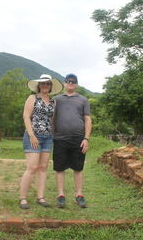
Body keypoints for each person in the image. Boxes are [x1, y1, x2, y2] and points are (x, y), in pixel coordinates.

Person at [19, 74, 63, 209]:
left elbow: (52, 121)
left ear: (51, 86)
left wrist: (53, 136)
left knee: (43, 168)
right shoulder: (32, 98)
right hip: (33, 135)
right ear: (39, 85)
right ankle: (23, 198)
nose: (45, 85)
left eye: (48, 84)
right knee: (32, 167)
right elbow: (26, 116)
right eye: (43, 83)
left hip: (48, 137)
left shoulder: (53, 102)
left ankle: (40, 197)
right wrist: (32, 135)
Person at [53, 73, 92, 208]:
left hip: (78, 139)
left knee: (78, 168)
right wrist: (53, 136)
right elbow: (52, 120)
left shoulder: (83, 100)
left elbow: (87, 119)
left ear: (76, 84)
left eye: (73, 81)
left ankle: (79, 195)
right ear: (64, 83)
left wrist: (86, 138)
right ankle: (60, 195)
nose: (70, 83)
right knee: (59, 168)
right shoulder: (56, 99)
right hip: (59, 139)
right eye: (68, 81)